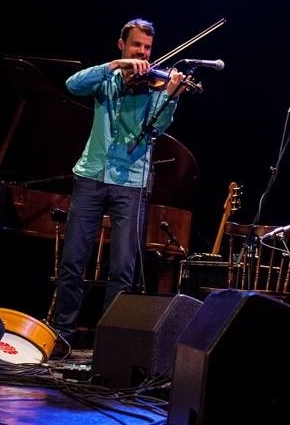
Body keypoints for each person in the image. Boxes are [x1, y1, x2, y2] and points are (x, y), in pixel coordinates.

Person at [50, 18, 187, 351]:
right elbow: (72, 84)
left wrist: (171, 96)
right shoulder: (106, 80)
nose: (143, 53)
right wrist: (114, 65)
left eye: (147, 48)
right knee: (73, 260)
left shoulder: (155, 85)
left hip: (131, 182)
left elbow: (156, 128)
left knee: (123, 268)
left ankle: (109, 345)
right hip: (91, 175)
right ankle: (62, 335)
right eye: (136, 45)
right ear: (122, 45)